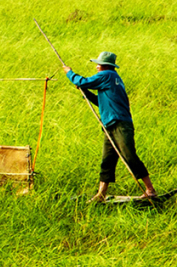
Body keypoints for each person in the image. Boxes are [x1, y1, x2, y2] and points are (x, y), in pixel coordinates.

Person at [63, 51, 156, 201]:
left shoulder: (107, 75)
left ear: (106, 66)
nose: (97, 67)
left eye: (98, 65)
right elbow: (101, 102)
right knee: (107, 160)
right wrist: (85, 92)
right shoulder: (113, 78)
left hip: (119, 123)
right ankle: (101, 194)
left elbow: (82, 81)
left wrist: (69, 73)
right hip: (110, 124)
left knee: (129, 156)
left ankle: (150, 190)